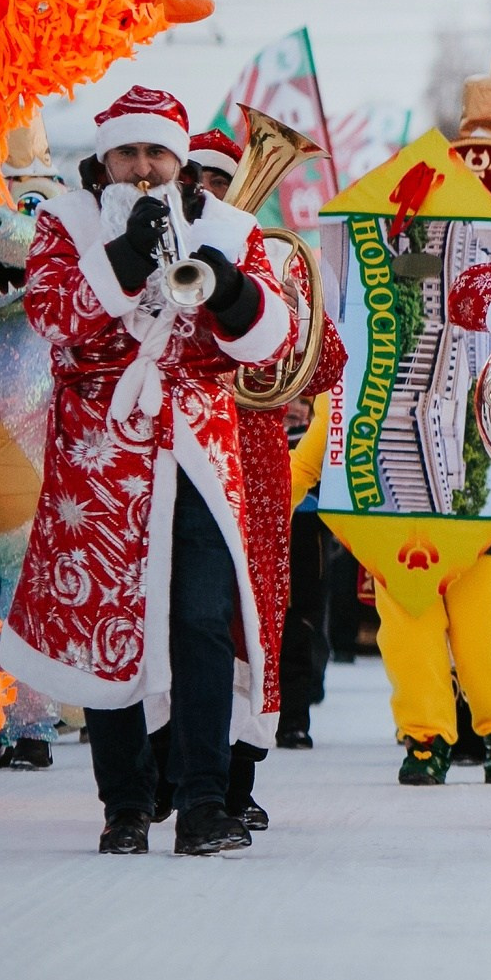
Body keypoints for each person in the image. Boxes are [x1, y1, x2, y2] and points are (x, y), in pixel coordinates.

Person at [2, 87, 292, 855]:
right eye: (127, 154)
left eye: (156, 153)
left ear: (178, 159)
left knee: (201, 619)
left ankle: (203, 801)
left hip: (195, 447)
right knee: (108, 627)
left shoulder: (227, 225)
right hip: (100, 453)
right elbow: (52, 313)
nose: (141, 167)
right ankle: (126, 802)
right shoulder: (65, 221)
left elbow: (271, 341)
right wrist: (126, 255)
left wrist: (231, 290)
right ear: (104, 160)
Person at [183, 126, 346, 830]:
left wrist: (284, 312)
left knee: (255, 610)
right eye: (198, 182)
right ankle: (178, 772)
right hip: (181, 447)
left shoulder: (271, 260)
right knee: (185, 610)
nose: (209, 194)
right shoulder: (158, 260)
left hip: (254, 456)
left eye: (221, 181)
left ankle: (237, 778)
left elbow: (330, 362)